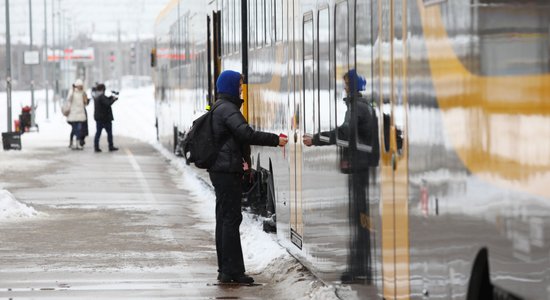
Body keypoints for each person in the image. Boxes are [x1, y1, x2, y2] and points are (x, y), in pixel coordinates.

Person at [208, 70, 288, 284]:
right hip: (226, 172)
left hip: (221, 171)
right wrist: (275, 140)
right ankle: (231, 272)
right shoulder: (228, 109)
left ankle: (227, 270)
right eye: (239, 86)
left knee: (224, 219)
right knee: (230, 220)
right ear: (231, 87)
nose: (241, 89)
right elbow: (246, 134)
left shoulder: (219, 107)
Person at [303, 69, 379, 284]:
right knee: (360, 221)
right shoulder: (361, 107)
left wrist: (316, 139)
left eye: (346, 84)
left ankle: (360, 269)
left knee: (360, 222)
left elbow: (344, 133)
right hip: (361, 168)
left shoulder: (358, 109)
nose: (344, 88)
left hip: (360, 170)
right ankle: (359, 267)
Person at [93, 83, 119, 152]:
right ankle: (110, 146)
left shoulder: (97, 96)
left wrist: (111, 97)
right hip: (105, 118)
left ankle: (96, 146)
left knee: (98, 133)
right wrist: (113, 99)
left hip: (99, 118)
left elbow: (106, 100)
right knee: (109, 133)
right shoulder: (101, 96)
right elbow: (107, 103)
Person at [65, 79, 89, 150]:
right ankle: (72, 142)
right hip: (73, 114)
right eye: (79, 86)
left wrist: (86, 98)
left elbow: (85, 103)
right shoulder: (72, 92)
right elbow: (69, 99)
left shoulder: (83, 93)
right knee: (74, 129)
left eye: (81, 86)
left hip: (80, 114)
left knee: (79, 129)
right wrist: (72, 90)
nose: (80, 87)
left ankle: (78, 143)